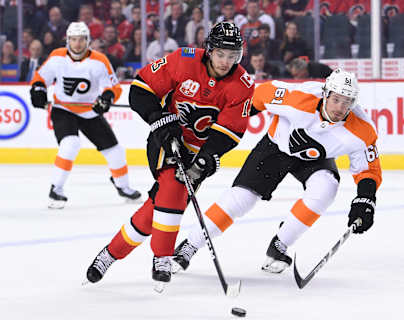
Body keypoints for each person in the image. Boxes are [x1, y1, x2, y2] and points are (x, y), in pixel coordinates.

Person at [85, 22, 255, 292]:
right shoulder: (183, 60)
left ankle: (109, 254)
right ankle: (162, 256)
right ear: (209, 50)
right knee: (174, 188)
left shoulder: (243, 83)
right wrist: (159, 119)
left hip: (198, 152)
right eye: (221, 53)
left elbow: (231, 130)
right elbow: (141, 89)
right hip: (166, 138)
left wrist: (209, 156)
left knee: (156, 209)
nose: (226, 62)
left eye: (232, 56)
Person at [172, 68, 382, 275]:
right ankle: (189, 245)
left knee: (326, 187)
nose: (340, 107)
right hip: (275, 149)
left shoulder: (362, 129)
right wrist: (223, 122)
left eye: (347, 102)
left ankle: (280, 245)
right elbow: (261, 94)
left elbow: (368, 169)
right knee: (241, 199)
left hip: (315, 159)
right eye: (336, 99)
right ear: (325, 93)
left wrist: (365, 199)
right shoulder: (299, 99)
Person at [29, 22, 141, 209]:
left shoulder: (100, 60)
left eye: (81, 39)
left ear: (87, 40)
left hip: (89, 112)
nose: (77, 43)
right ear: (68, 40)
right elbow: (40, 78)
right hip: (63, 109)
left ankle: (123, 186)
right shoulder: (57, 57)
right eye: (73, 39)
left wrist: (106, 99)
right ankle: (56, 189)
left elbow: (112, 86)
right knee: (70, 144)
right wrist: (38, 90)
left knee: (115, 151)